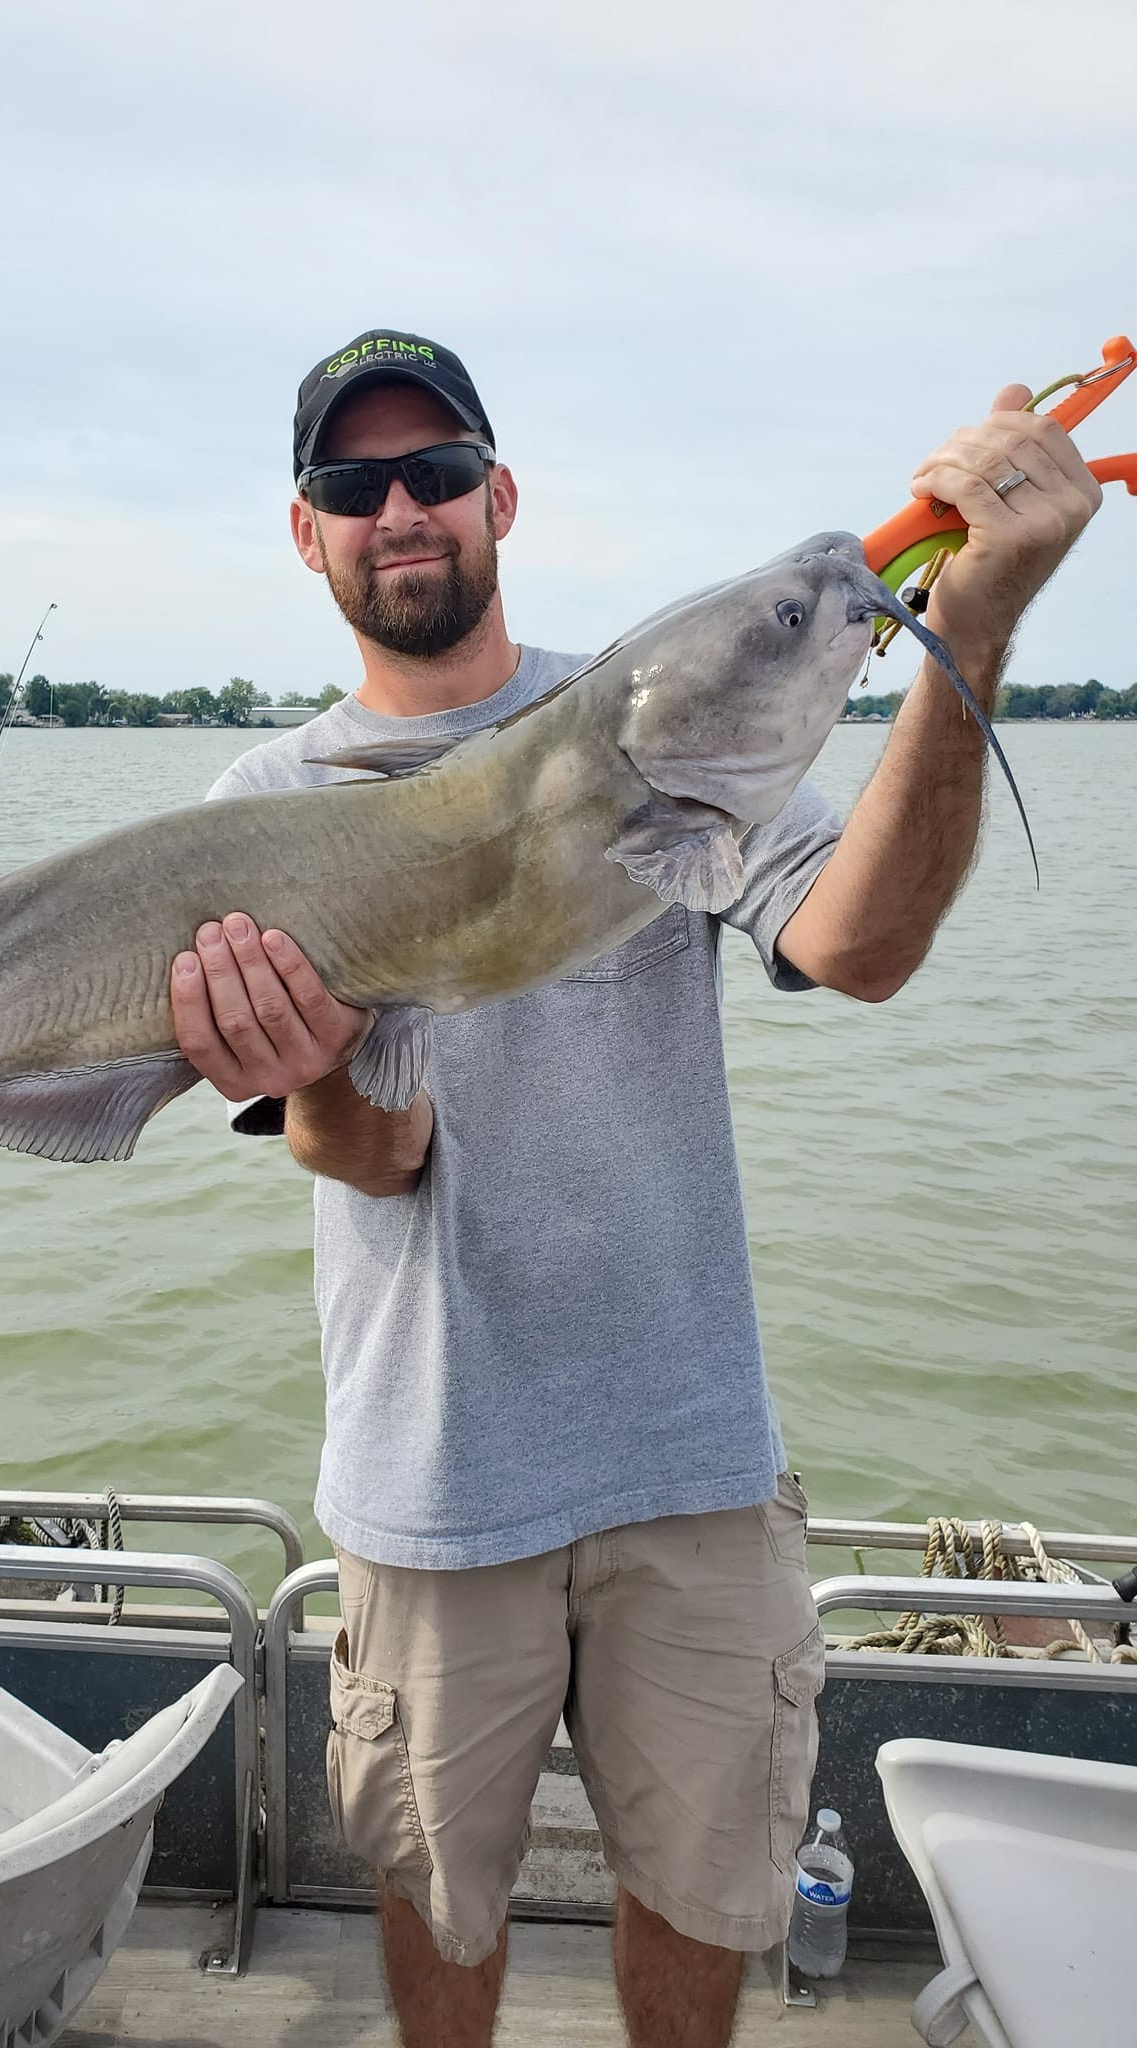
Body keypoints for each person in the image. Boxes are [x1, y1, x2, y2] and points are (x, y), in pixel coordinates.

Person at [167, 329, 1100, 2048]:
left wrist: (966, 630)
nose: (401, 509)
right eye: (351, 485)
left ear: (499, 498)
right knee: (433, 1889)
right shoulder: (268, 805)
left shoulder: (682, 713)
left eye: (437, 472)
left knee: (704, 1885)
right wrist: (310, 1065)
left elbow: (861, 943)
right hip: (431, 1469)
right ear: (307, 534)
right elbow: (369, 1156)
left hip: (690, 1454)